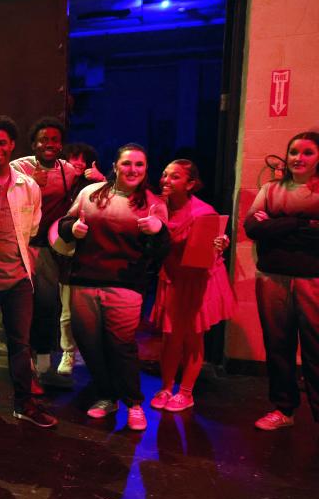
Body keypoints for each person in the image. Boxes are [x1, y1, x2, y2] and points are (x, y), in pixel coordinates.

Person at [57, 143, 169, 431]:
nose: (133, 169)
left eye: (139, 165)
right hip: (84, 280)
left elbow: (160, 252)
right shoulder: (89, 194)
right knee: (90, 346)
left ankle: (133, 403)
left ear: (146, 169)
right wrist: (72, 229)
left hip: (125, 285)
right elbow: (65, 223)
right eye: (127, 163)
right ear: (115, 166)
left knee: (121, 346)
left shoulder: (153, 203)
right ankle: (107, 397)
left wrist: (158, 232)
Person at [0, 115, 57, 429]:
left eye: (2, 143)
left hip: (19, 279)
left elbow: (31, 228)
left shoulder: (28, 186)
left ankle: (23, 402)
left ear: (12, 145)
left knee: (21, 344)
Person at [12, 119, 104, 386]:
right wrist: (27, 183)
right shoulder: (20, 167)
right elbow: (0, 187)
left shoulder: (67, 171)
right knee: (19, 303)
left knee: (46, 303)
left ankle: (42, 358)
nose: (49, 144)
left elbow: (91, 196)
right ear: (33, 144)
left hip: (49, 247)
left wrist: (99, 181)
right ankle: (24, 357)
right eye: (43, 139)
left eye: (54, 140)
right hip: (18, 245)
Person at [244, 131, 319, 431]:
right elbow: (252, 227)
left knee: (316, 349)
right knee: (278, 346)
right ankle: (283, 408)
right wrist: (301, 224)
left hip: (313, 279)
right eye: (294, 152)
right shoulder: (271, 188)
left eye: (307, 152)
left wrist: (276, 224)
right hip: (272, 277)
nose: (298, 158)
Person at [149, 159, 235, 413]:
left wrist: (220, 243)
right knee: (169, 337)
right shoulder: (157, 207)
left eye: (174, 177)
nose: (165, 180)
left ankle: (186, 392)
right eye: (164, 175)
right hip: (171, 277)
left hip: (196, 280)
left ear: (191, 184)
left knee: (192, 336)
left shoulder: (203, 212)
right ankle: (166, 387)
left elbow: (209, 250)